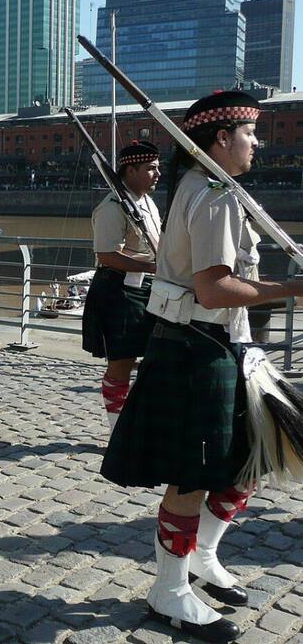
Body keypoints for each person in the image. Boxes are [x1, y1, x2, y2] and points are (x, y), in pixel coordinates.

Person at [101, 91, 303, 642]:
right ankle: (168, 590)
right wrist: (292, 289)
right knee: (193, 479)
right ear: (221, 138)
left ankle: (203, 556)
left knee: (252, 461)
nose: (259, 143)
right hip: (198, 346)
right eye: (250, 133)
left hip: (222, 346)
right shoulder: (211, 194)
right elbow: (214, 290)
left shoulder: (215, 190)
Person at [81, 141, 162, 432]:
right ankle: (118, 429)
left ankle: (137, 418)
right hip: (120, 292)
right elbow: (107, 256)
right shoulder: (112, 207)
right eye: (151, 168)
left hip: (147, 290)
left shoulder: (147, 203)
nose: (157, 174)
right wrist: (152, 267)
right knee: (121, 363)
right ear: (131, 170)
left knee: (157, 356)